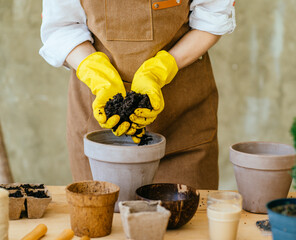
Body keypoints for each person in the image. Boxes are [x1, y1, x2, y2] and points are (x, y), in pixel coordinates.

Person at [40, 0, 236, 190]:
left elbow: (213, 15)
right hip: (99, 132)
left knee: (184, 220)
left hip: (182, 126)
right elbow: (62, 26)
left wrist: (162, 69)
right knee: (103, 219)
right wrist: (97, 74)